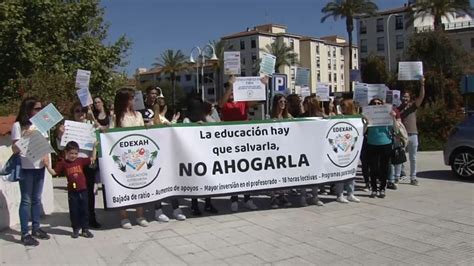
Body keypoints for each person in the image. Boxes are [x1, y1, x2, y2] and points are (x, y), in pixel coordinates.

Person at [139, 86, 185, 222]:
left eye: (156, 94)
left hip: (164, 147)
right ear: (146, 94)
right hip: (149, 148)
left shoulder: (163, 109)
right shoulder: (140, 109)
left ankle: (176, 208)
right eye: (151, 93)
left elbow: (170, 124)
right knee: (157, 179)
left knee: (170, 178)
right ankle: (158, 210)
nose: (153, 96)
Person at [11, 97, 51, 246]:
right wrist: (25, 137)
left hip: (39, 166)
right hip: (26, 167)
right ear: (28, 110)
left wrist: (47, 163)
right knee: (26, 200)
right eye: (37, 108)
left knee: (37, 199)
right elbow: (14, 149)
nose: (40, 111)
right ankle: (24, 233)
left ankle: (36, 228)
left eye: (41, 108)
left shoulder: (42, 124)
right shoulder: (18, 125)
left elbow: (46, 144)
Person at [56, 102, 102, 229]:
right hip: (74, 166)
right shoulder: (68, 127)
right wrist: (60, 134)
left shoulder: (91, 125)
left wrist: (97, 126)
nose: (80, 113)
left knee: (90, 194)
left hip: (88, 164)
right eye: (77, 110)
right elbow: (61, 146)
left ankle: (91, 218)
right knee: (76, 193)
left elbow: (100, 138)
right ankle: (78, 220)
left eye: (82, 110)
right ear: (73, 113)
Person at [111, 88, 149, 229]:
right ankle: (124, 217)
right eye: (131, 98)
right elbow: (110, 135)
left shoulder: (138, 115)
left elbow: (143, 132)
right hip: (123, 156)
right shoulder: (116, 117)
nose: (133, 100)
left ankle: (140, 215)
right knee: (124, 185)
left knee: (140, 185)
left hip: (139, 155)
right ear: (124, 100)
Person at [218, 77, 258, 212]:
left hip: (245, 142)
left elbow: (257, 100)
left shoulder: (243, 102)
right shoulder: (225, 103)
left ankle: (248, 198)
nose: (233, 93)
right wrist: (230, 85)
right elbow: (221, 104)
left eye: (234, 90)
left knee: (247, 170)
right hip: (230, 142)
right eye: (231, 91)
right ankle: (234, 198)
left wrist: (263, 85)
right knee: (234, 171)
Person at [44, 141, 95, 239]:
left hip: (83, 190)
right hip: (72, 192)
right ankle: (75, 229)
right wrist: (47, 166)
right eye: (71, 153)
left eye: (76, 153)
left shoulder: (80, 160)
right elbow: (54, 172)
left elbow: (92, 159)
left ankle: (85, 229)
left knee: (84, 210)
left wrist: (94, 147)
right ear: (66, 152)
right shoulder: (63, 163)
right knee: (74, 211)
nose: (73, 155)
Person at [184, 96, 218, 215]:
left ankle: (208, 203)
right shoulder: (187, 120)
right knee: (195, 181)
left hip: (206, 153)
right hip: (193, 155)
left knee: (207, 180)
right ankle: (194, 205)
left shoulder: (205, 118)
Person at [366, 98, 398, 198]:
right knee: (373, 168)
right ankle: (374, 189)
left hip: (385, 143)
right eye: (374, 103)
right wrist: (365, 121)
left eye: (379, 103)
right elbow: (363, 132)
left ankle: (382, 188)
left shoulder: (387, 115)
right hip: (372, 143)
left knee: (384, 168)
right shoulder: (368, 115)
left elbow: (396, 130)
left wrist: (393, 118)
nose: (377, 104)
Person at [399, 77, 425, 186]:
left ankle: (413, 177)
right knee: (400, 156)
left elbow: (421, 97)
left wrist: (422, 84)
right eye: (403, 96)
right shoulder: (397, 108)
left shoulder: (413, 106)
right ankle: (400, 174)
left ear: (409, 98)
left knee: (413, 157)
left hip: (413, 134)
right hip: (401, 135)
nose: (405, 98)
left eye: (407, 96)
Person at [299, 95, 324, 207]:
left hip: (317, 149)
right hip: (304, 149)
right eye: (305, 103)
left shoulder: (320, 117)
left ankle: (315, 196)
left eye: (308, 103)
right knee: (304, 175)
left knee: (315, 175)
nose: (306, 105)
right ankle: (303, 197)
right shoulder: (301, 116)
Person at [334, 99, 361, 203]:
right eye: (341, 105)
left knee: (351, 171)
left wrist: (366, 122)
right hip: (341, 148)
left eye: (343, 105)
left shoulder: (357, 118)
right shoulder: (339, 117)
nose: (341, 107)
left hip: (352, 147)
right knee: (341, 171)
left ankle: (350, 193)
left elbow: (362, 131)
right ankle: (340, 194)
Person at [269, 94, 293, 208]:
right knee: (274, 174)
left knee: (284, 174)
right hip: (274, 150)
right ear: (276, 103)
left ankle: (283, 195)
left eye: (284, 102)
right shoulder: (269, 117)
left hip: (286, 149)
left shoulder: (288, 116)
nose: (283, 104)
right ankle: (273, 197)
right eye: (280, 102)